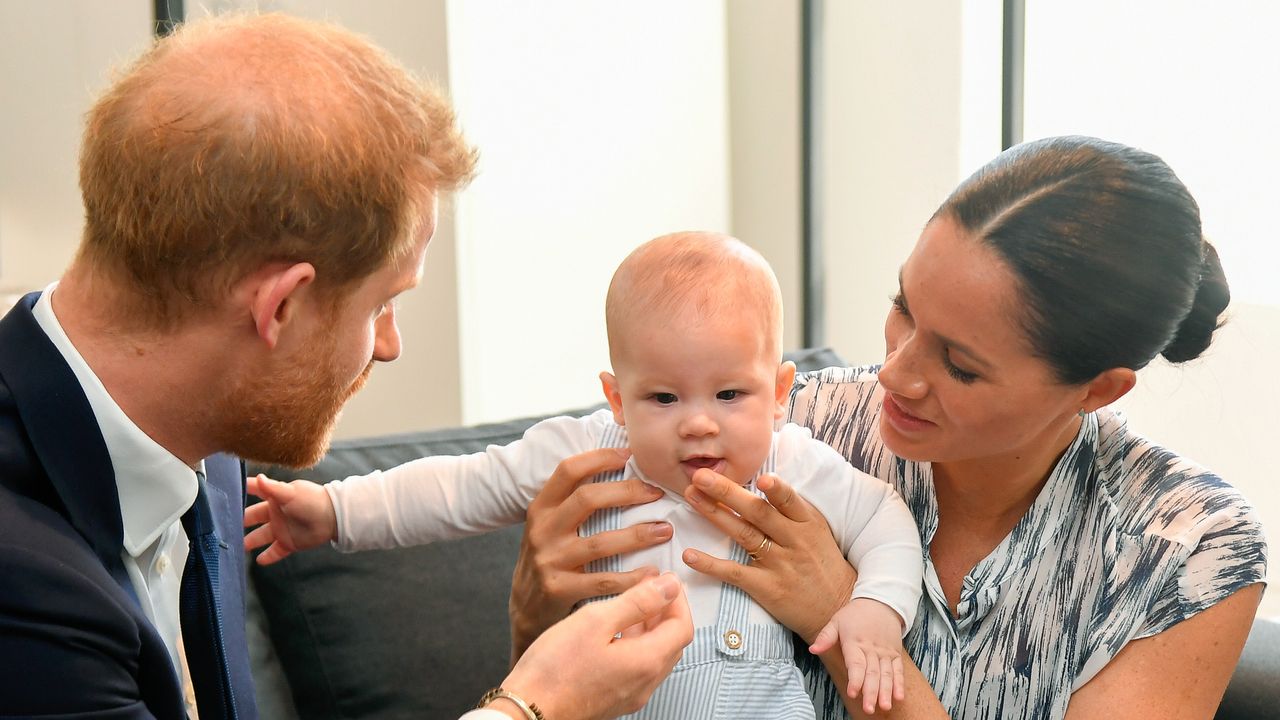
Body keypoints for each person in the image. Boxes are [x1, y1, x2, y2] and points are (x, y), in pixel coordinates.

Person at [0, 13, 691, 720]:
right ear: (281, 307)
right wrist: (534, 709)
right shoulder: (23, 583)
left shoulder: (207, 448)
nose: (389, 345)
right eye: (382, 305)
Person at [506, 136, 1269, 719]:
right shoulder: (779, 425)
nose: (895, 374)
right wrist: (536, 609)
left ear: (1097, 390)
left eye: (960, 366)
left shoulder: (1190, 549)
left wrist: (843, 612)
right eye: (903, 307)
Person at [244, 231, 925, 719]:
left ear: (779, 393)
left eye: (729, 396)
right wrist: (333, 512)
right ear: (616, 397)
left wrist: (873, 610)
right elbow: (459, 488)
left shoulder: (793, 460)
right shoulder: (585, 452)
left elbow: (885, 520)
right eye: (663, 398)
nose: (698, 424)